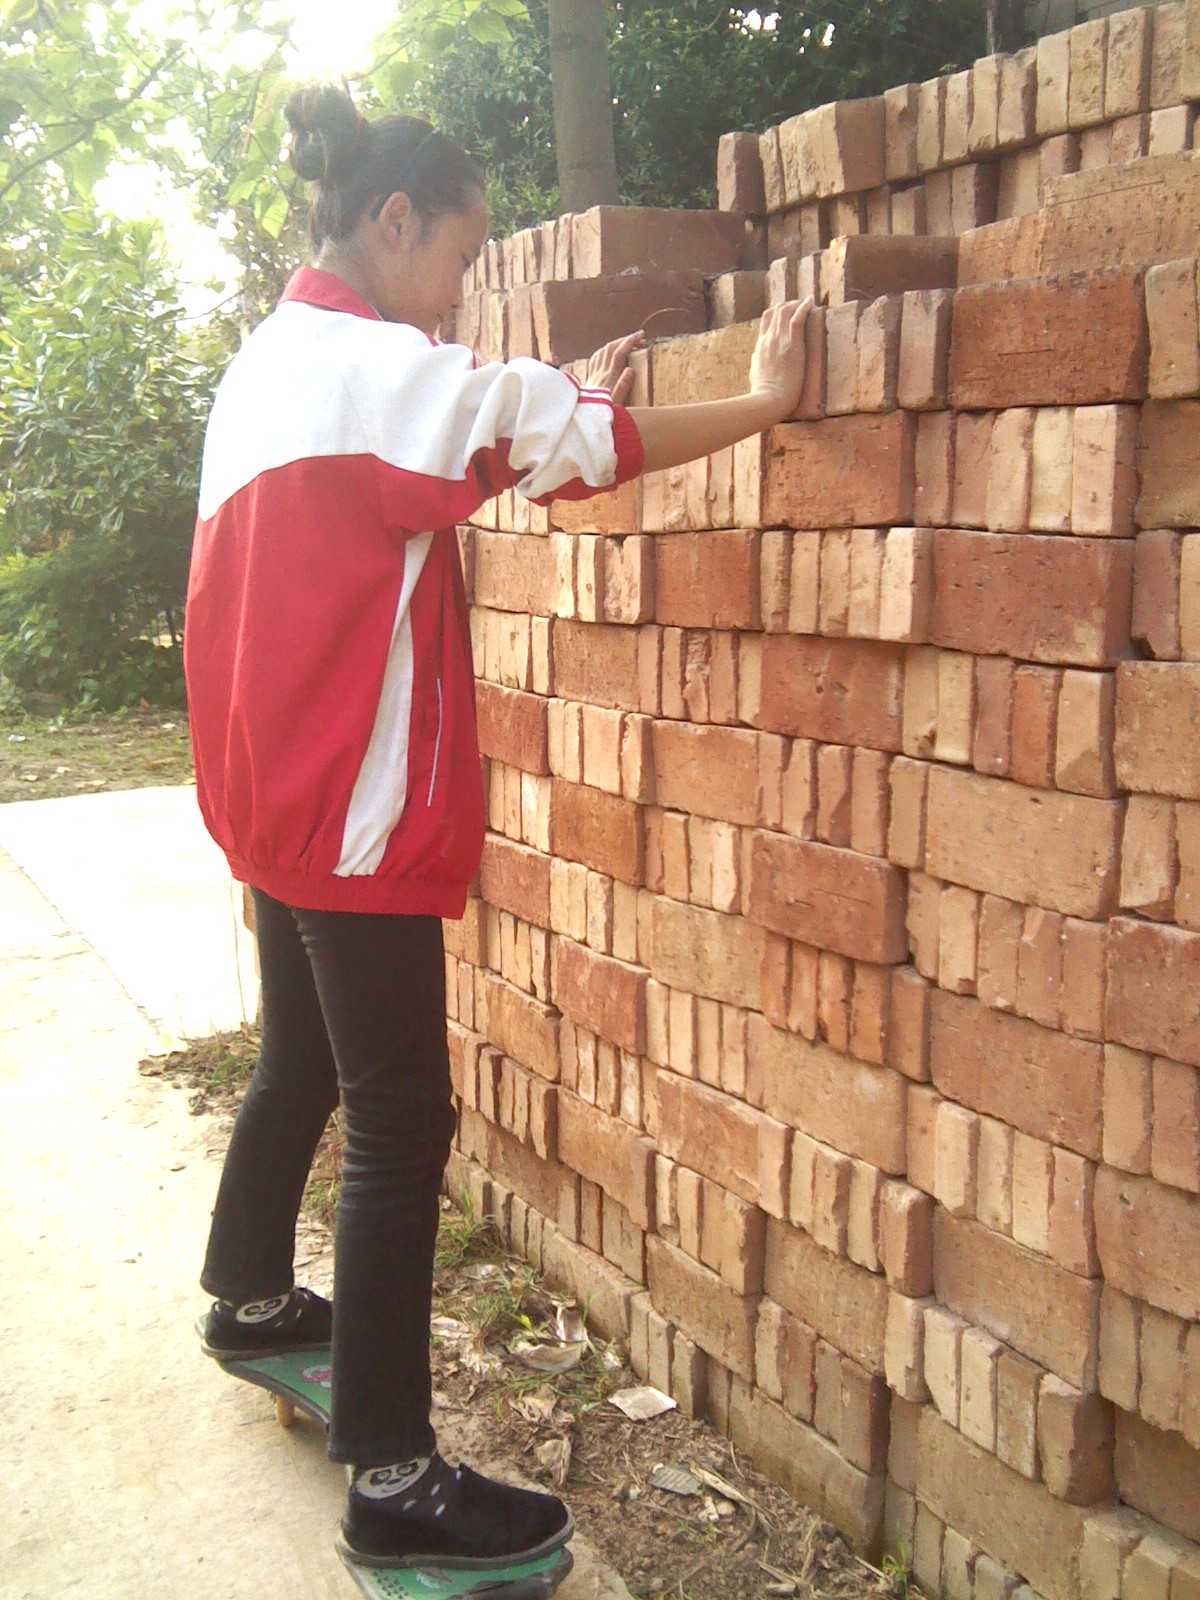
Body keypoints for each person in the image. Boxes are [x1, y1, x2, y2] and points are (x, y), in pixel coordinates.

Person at [185, 81, 810, 1575]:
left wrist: (565, 391)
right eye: (459, 260)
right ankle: (394, 1481)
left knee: (304, 1059)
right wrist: (766, 404)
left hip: (269, 795)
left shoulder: (275, 362)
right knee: (405, 1124)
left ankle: (252, 1299)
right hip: (348, 810)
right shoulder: (382, 370)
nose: (459, 298)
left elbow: (471, 432)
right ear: (394, 219)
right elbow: (568, 448)